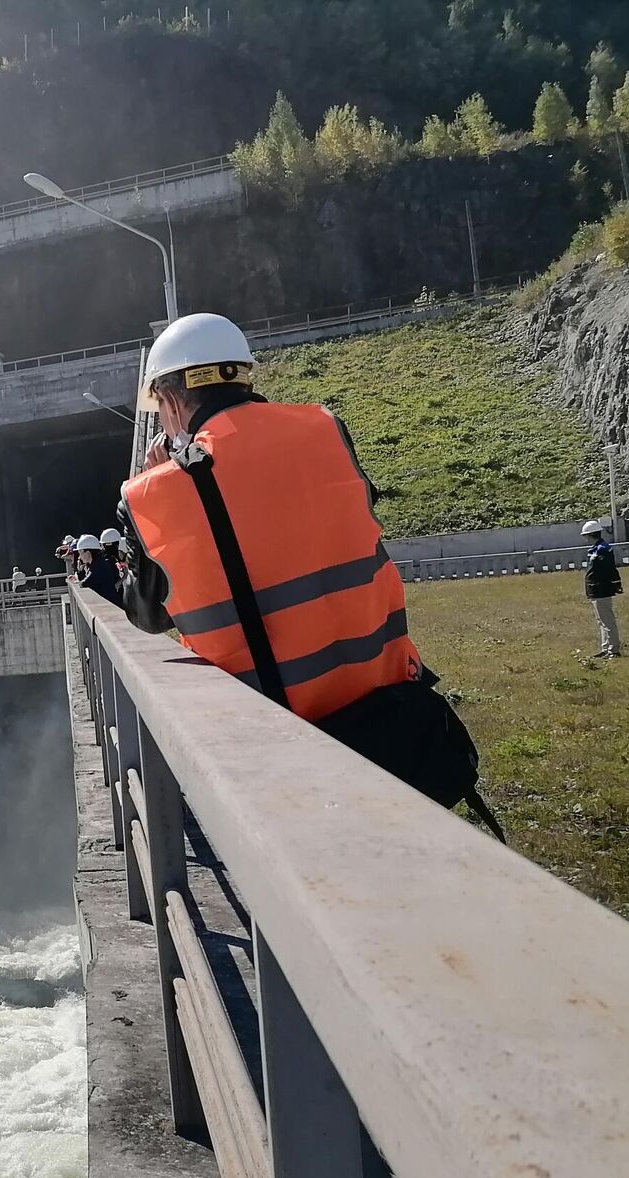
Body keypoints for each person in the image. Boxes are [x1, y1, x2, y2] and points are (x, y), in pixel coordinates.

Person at [110, 313, 501, 836]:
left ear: (173, 400)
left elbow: (148, 617)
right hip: (394, 713)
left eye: (159, 409)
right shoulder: (327, 428)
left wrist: (154, 482)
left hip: (283, 742)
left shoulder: (156, 493)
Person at [583, 519, 623, 658]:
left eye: (586, 535)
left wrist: (615, 584)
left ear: (590, 535)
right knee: (601, 620)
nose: (585, 538)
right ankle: (606, 647)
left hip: (601, 589)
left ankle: (614, 650)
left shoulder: (603, 549)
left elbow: (609, 569)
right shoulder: (596, 549)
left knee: (607, 620)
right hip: (595, 589)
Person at [73, 533, 122, 606]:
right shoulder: (97, 563)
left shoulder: (98, 566)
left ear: (88, 553)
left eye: (80, 552)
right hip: (110, 605)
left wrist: (78, 577)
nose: (79, 557)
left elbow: (84, 583)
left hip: (112, 607)